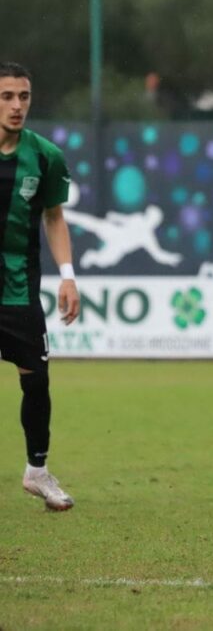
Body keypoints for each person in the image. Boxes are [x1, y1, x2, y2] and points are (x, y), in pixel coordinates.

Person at [0, 62, 80, 510]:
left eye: (24, 96)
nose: (17, 105)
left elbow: (54, 216)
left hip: (18, 291)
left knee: (36, 381)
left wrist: (68, 276)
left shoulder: (45, 156)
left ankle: (37, 471)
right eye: (7, 96)